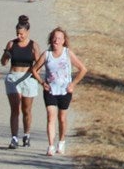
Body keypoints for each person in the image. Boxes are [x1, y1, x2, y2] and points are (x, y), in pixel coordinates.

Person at [33, 26, 88, 156]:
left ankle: (61, 142)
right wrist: (42, 82)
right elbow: (34, 70)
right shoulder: (46, 55)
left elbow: (83, 69)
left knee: (62, 118)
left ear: (64, 41)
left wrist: (73, 84)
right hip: (50, 90)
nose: (56, 41)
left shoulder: (67, 53)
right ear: (51, 40)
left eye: (59, 39)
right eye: (54, 38)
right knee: (50, 116)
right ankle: (51, 145)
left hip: (65, 90)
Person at [1, 14, 43, 148]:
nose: (19, 36)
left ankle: (26, 134)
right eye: (17, 34)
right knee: (15, 109)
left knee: (26, 109)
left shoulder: (33, 45)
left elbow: (39, 63)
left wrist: (35, 72)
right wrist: (6, 54)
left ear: (27, 32)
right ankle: (14, 138)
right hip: (13, 76)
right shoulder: (11, 43)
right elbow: (3, 62)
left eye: (21, 34)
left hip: (28, 78)